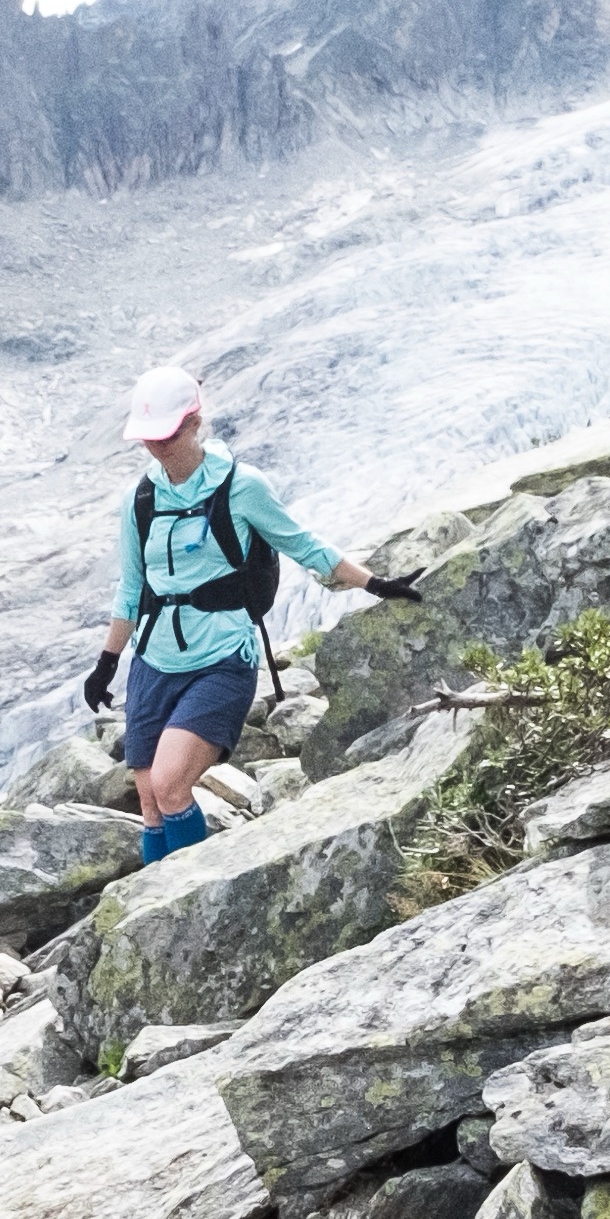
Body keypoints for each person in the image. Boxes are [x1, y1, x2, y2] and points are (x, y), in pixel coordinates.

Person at [82, 365, 394, 866]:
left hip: (221, 658)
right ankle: (157, 896)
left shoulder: (242, 487)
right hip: (153, 661)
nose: (156, 447)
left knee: (170, 784)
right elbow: (133, 586)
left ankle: (185, 891)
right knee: (150, 802)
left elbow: (303, 545)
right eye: (148, 437)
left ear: (193, 422)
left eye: (166, 434)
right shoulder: (139, 499)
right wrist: (107, 663)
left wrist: (375, 584)